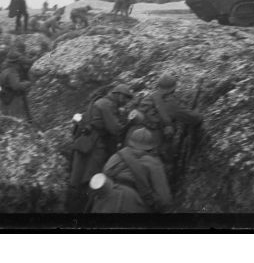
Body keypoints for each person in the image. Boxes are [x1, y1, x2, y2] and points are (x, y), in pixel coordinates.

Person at [68, 83, 134, 212]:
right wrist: (128, 124)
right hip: (95, 145)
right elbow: (114, 129)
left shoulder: (102, 101)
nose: (126, 102)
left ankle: (76, 205)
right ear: (118, 95)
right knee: (91, 176)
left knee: (79, 176)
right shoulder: (107, 105)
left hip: (87, 142)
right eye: (125, 98)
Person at [128, 73, 203, 166]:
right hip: (150, 142)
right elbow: (194, 118)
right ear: (173, 89)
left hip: (132, 137)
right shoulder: (170, 103)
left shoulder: (148, 97)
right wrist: (198, 111)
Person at [93, 127, 172, 212]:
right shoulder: (153, 162)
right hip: (131, 200)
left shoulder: (117, 156)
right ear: (150, 147)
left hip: (106, 196)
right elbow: (165, 199)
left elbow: (105, 174)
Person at [0, 46, 33, 117]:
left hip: (2, 95)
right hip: (11, 97)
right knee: (15, 117)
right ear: (16, 62)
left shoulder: (5, 67)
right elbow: (16, 86)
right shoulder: (12, 72)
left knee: (5, 115)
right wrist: (28, 83)